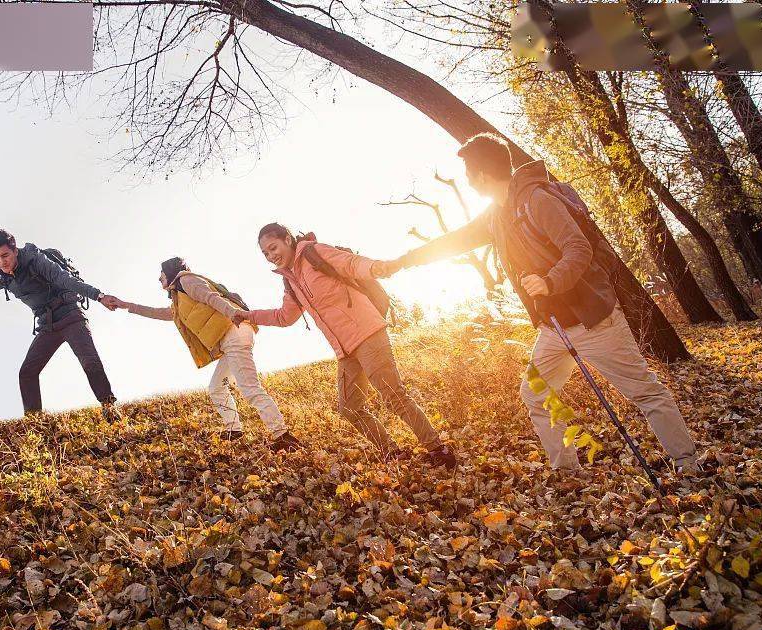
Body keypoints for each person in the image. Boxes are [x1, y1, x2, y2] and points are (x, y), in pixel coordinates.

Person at [390, 133, 698, 473]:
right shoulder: (496, 215)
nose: (465, 179)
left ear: (479, 174)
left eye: (467, 171)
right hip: (554, 329)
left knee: (644, 392)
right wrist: (405, 260)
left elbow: (577, 247)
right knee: (535, 394)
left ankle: (688, 463)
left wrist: (550, 281)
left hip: (595, 320)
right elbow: (456, 240)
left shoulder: (537, 199)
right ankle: (567, 470)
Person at [232, 224, 456, 469]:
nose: (271, 255)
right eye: (265, 253)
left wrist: (376, 267)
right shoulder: (290, 282)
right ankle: (392, 452)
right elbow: (285, 316)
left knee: (393, 394)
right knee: (350, 407)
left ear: (287, 239)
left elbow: (350, 263)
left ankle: (438, 449)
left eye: (273, 247)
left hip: (367, 332)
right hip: (345, 349)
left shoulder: (314, 253)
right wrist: (248, 316)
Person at [112, 257, 302, 452]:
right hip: (230, 337)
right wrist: (127, 305)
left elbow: (211, 297)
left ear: (169, 271)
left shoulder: (186, 280)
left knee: (250, 387)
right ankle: (233, 429)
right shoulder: (179, 298)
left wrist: (232, 313)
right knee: (216, 387)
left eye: (160, 274)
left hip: (234, 331)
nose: (158, 279)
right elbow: (159, 313)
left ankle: (283, 436)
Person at [0, 229, 122, 421]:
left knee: (90, 361)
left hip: (70, 315)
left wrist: (99, 296)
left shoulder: (35, 260)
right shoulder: (0, 276)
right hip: (47, 326)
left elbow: (65, 279)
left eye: (5, 255)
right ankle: (34, 422)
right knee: (27, 373)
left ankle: (110, 408)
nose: (1, 262)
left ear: (15, 250)